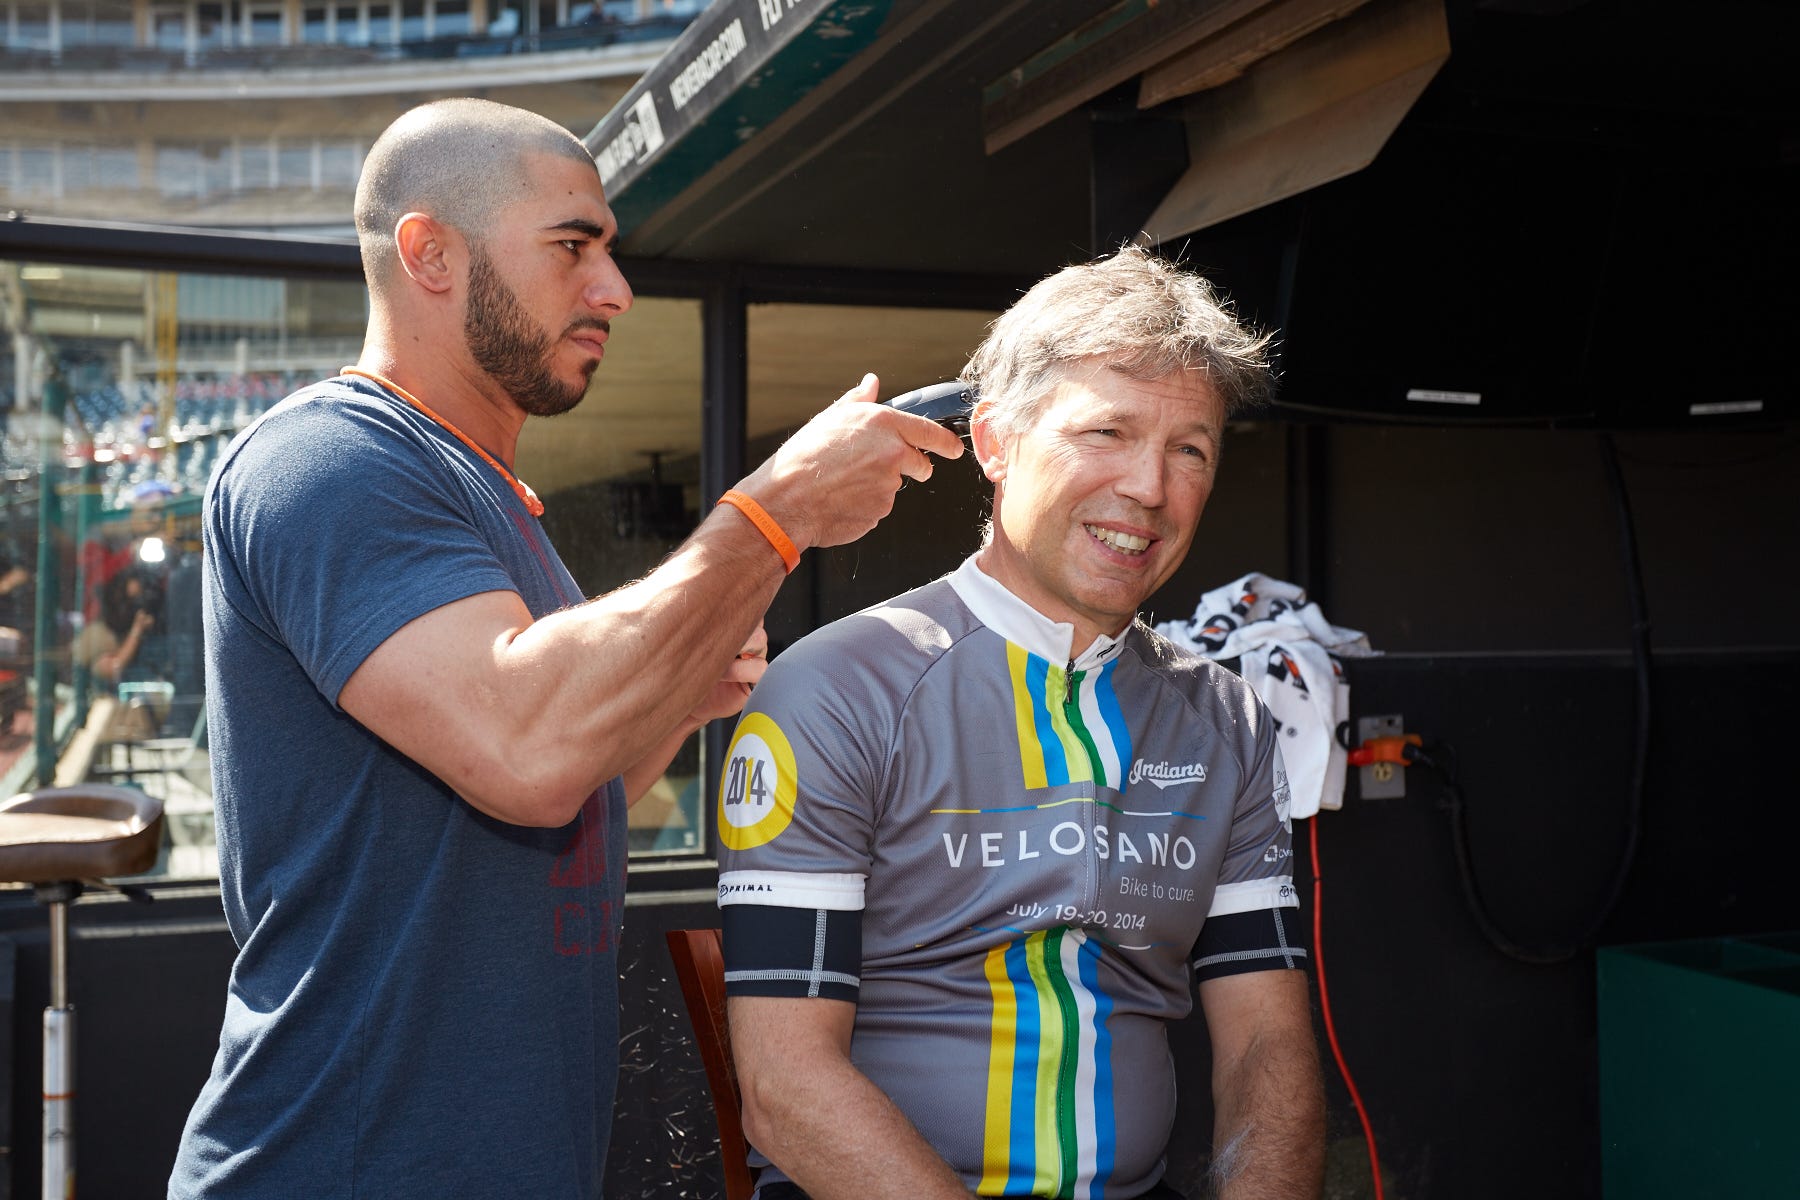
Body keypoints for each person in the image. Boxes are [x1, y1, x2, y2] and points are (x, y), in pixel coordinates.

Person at [168, 97, 961, 1199]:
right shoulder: (329, 459)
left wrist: (676, 696)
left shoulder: (494, 504)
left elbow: (579, 780)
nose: (615, 289)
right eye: (572, 247)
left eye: (611, 253)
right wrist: (774, 512)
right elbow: (526, 753)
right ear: (428, 252)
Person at [716, 246, 1326, 1200]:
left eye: (1190, 449)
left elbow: (1267, 1044)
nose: (1151, 490)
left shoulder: (1227, 720)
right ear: (995, 443)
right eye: (1108, 433)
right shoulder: (837, 687)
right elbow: (785, 1086)